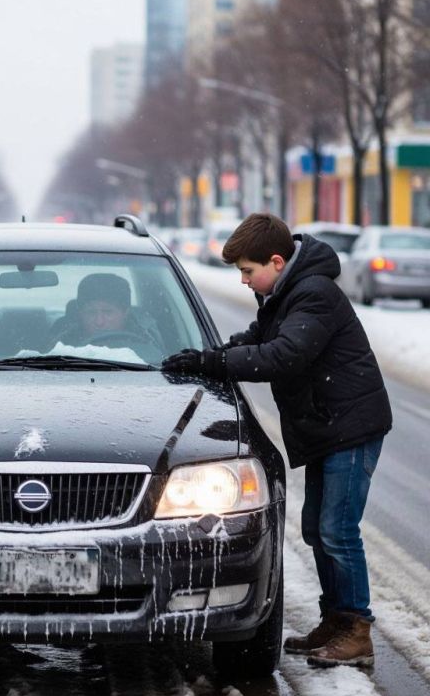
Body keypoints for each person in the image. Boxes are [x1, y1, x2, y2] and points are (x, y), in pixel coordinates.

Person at [162, 212, 392, 668]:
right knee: (317, 530)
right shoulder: (286, 292)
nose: (245, 281)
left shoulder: (314, 294)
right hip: (329, 425)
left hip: (350, 425)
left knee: (337, 530)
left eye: (248, 272)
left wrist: (215, 366)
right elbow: (256, 338)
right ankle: (335, 620)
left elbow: (283, 355)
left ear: (275, 260)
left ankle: (357, 629)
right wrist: (210, 356)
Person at [51, 273, 163, 359]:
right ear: (80, 313)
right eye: (91, 312)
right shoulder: (60, 345)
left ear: (126, 312)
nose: (99, 322)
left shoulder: (149, 338)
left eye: (108, 312)